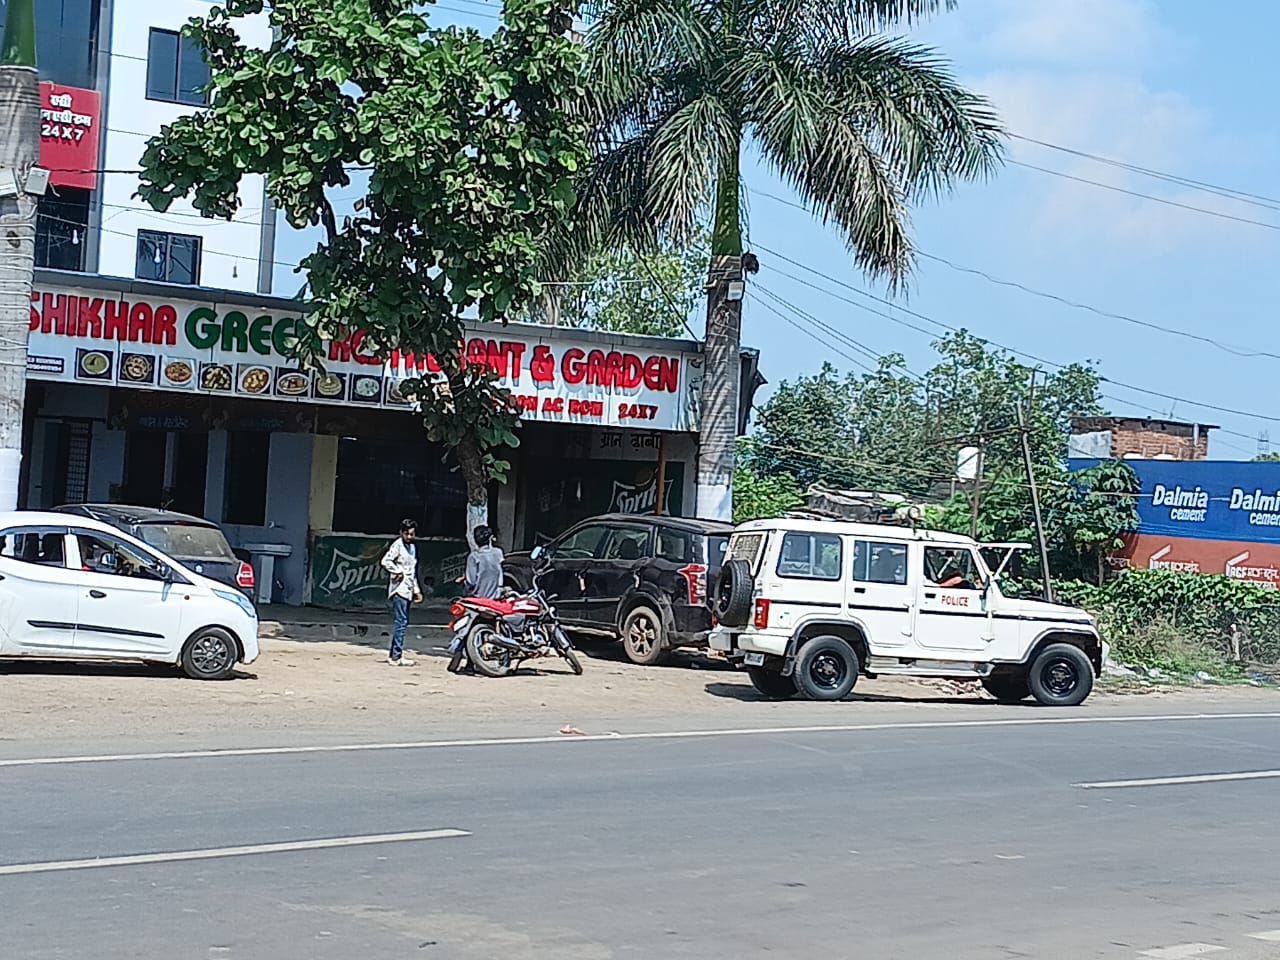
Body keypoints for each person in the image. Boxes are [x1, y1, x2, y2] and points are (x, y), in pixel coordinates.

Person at [381, 519, 421, 666]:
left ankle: (396, 654)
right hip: (399, 589)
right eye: (407, 534)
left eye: (412, 534)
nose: (409, 537)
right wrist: (397, 571)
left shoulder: (412, 548)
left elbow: (412, 571)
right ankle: (396, 656)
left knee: (403, 622)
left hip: (408, 589)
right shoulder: (397, 545)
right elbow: (386, 561)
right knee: (401, 622)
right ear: (401, 533)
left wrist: (416, 590)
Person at [458, 524, 504, 599]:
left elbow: (471, 582)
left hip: (478, 597)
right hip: (496, 596)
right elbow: (499, 573)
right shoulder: (498, 553)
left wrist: (465, 581)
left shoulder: (473, 557)